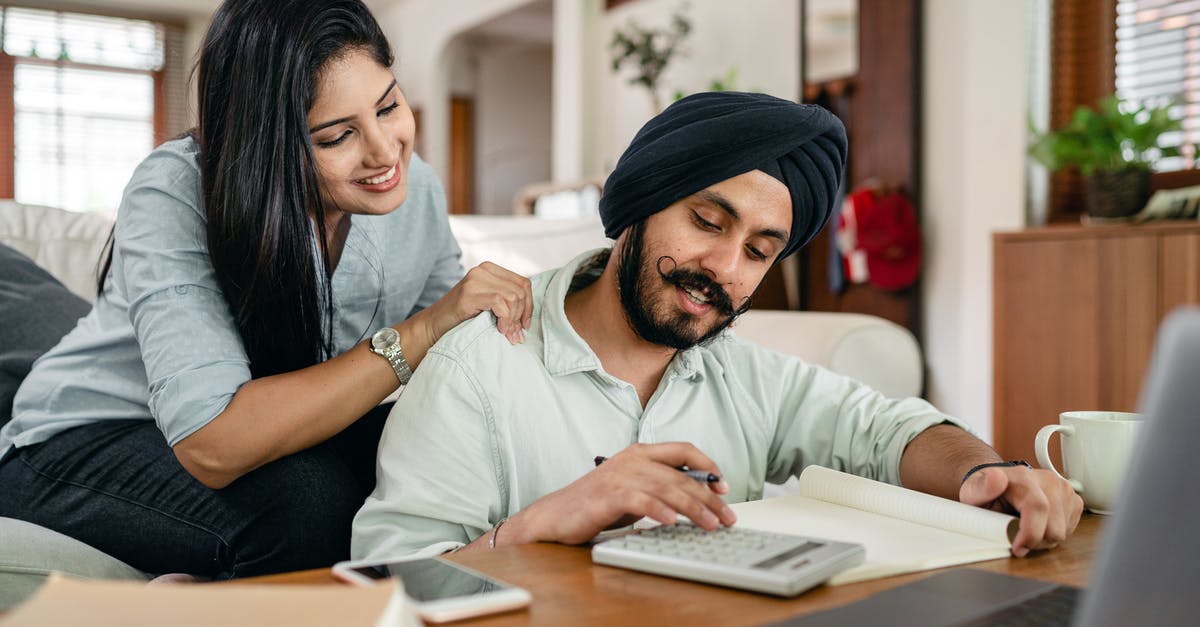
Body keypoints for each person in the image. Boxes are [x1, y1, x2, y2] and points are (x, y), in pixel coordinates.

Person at [351, 92, 1084, 561]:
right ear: (639, 203)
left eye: (760, 251)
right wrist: (549, 518)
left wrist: (986, 472)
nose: (725, 266)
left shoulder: (741, 373)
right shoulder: (475, 367)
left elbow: (885, 431)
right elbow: (389, 580)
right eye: (707, 220)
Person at [0, 0, 533, 580]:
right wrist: (423, 329)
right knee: (306, 505)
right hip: (85, 440)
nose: (385, 152)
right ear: (267, 142)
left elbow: (453, 362)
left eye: (388, 106)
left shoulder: (416, 188)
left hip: (267, 432)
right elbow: (213, 442)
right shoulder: (177, 188)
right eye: (336, 137)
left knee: (449, 453)